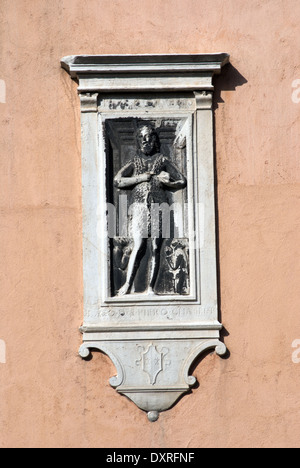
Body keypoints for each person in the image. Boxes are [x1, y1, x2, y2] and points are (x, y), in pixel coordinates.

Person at [114, 124, 186, 296]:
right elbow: (118, 180)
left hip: (158, 205)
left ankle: (151, 288)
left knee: (155, 247)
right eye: (142, 138)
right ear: (138, 142)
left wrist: (167, 182)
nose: (146, 141)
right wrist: (140, 178)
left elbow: (181, 180)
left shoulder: (162, 160)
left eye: (149, 137)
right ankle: (128, 285)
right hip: (138, 205)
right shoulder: (135, 161)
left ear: (154, 140)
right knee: (138, 245)